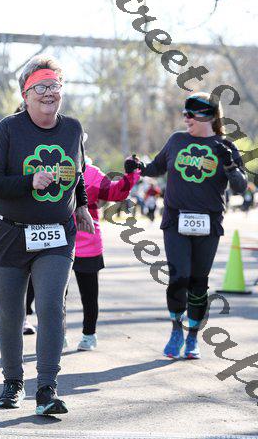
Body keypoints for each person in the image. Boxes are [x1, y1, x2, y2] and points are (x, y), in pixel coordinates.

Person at [0, 55, 94, 415]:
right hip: (8, 233)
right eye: (40, 86)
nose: (49, 93)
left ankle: (46, 389)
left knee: (50, 307)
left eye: (54, 86)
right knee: (10, 314)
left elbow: (77, 172)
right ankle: (12, 382)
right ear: (25, 95)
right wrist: (30, 181)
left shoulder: (72, 128)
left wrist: (81, 206)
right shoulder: (9, 129)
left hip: (56, 235)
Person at [126, 92, 247, 359]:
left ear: (208, 116)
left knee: (198, 282)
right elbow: (156, 167)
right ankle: (175, 330)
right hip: (175, 220)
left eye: (190, 114)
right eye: (184, 114)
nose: (186, 118)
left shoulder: (225, 145)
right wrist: (137, 166)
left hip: (209, 222)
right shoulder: (177, 140)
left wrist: (229, 164)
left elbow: (240, 187)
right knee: (178, 277)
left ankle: (192, 336)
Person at [23, 146, 141, 350]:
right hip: (55, 242)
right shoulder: (46, 168)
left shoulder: (92, 173)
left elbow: (115, 192)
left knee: (89, 295)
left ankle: (89, 335)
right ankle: (59, 334)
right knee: (56, 296)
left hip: (87, 243)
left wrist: (131, 174)